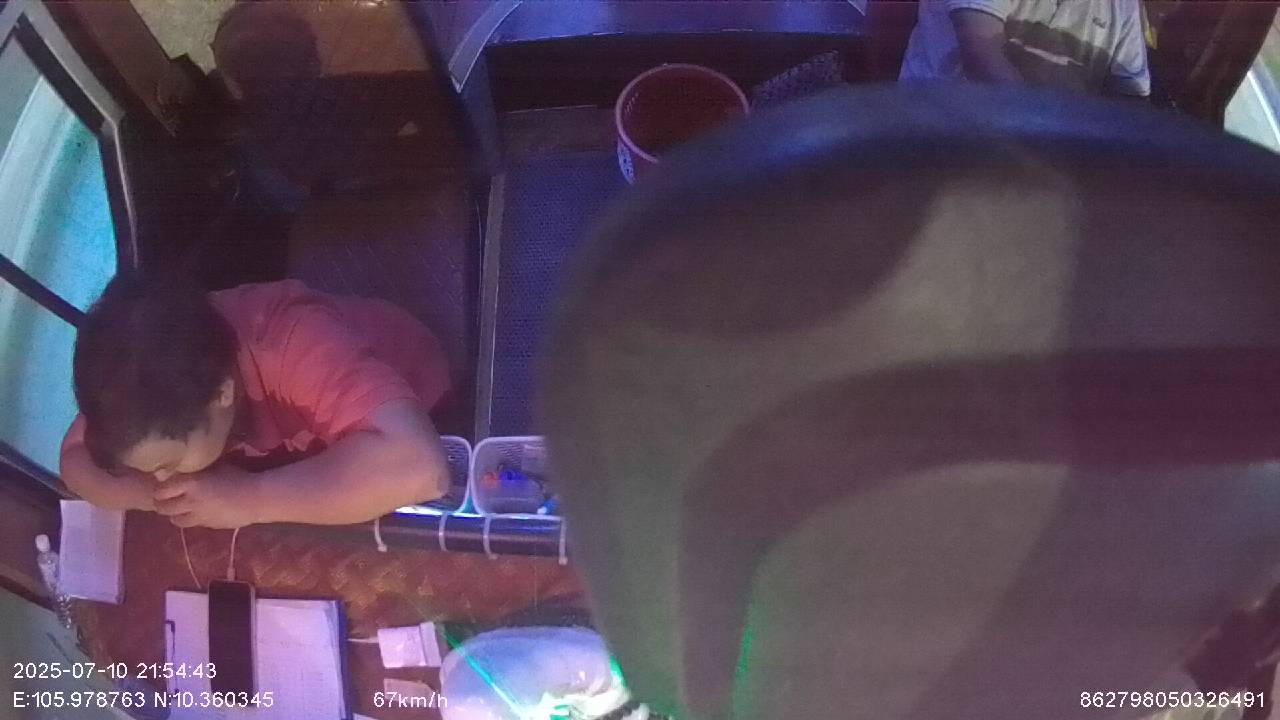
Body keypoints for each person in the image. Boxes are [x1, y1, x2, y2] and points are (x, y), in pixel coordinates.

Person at [59, 275, 453, 529]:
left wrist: (251, 499)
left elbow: (422, 469)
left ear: (222, 392)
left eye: (169, 464)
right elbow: (74, 459)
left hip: (418, 404)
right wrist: (161, 498)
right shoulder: (136, 382)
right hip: (308, 456)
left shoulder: (290, 343)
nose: (160, 477)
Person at [899, 0, 1151, 98]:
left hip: (1055, 165)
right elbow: (982, 58)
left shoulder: (1123, 5)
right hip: (940, 142)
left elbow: (1131, 102)